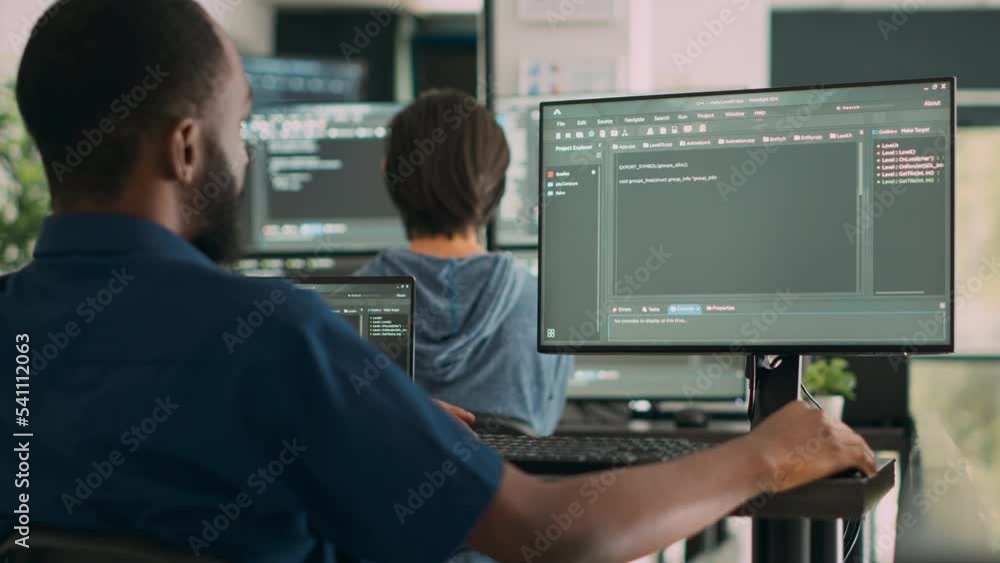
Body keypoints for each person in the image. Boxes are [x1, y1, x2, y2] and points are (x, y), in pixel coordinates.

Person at [0, 1, 876, 562]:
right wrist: (769, 450)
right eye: (242, 126)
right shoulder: (275, 331)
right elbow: (546, 533)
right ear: (187, 146)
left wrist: (386, 419)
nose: (248, 148)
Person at [359, 91, 570, 436]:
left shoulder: (342, 311)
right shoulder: (547, 304)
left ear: (388, 174)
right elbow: (544, 426)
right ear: (499, 185)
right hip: (509, 488)